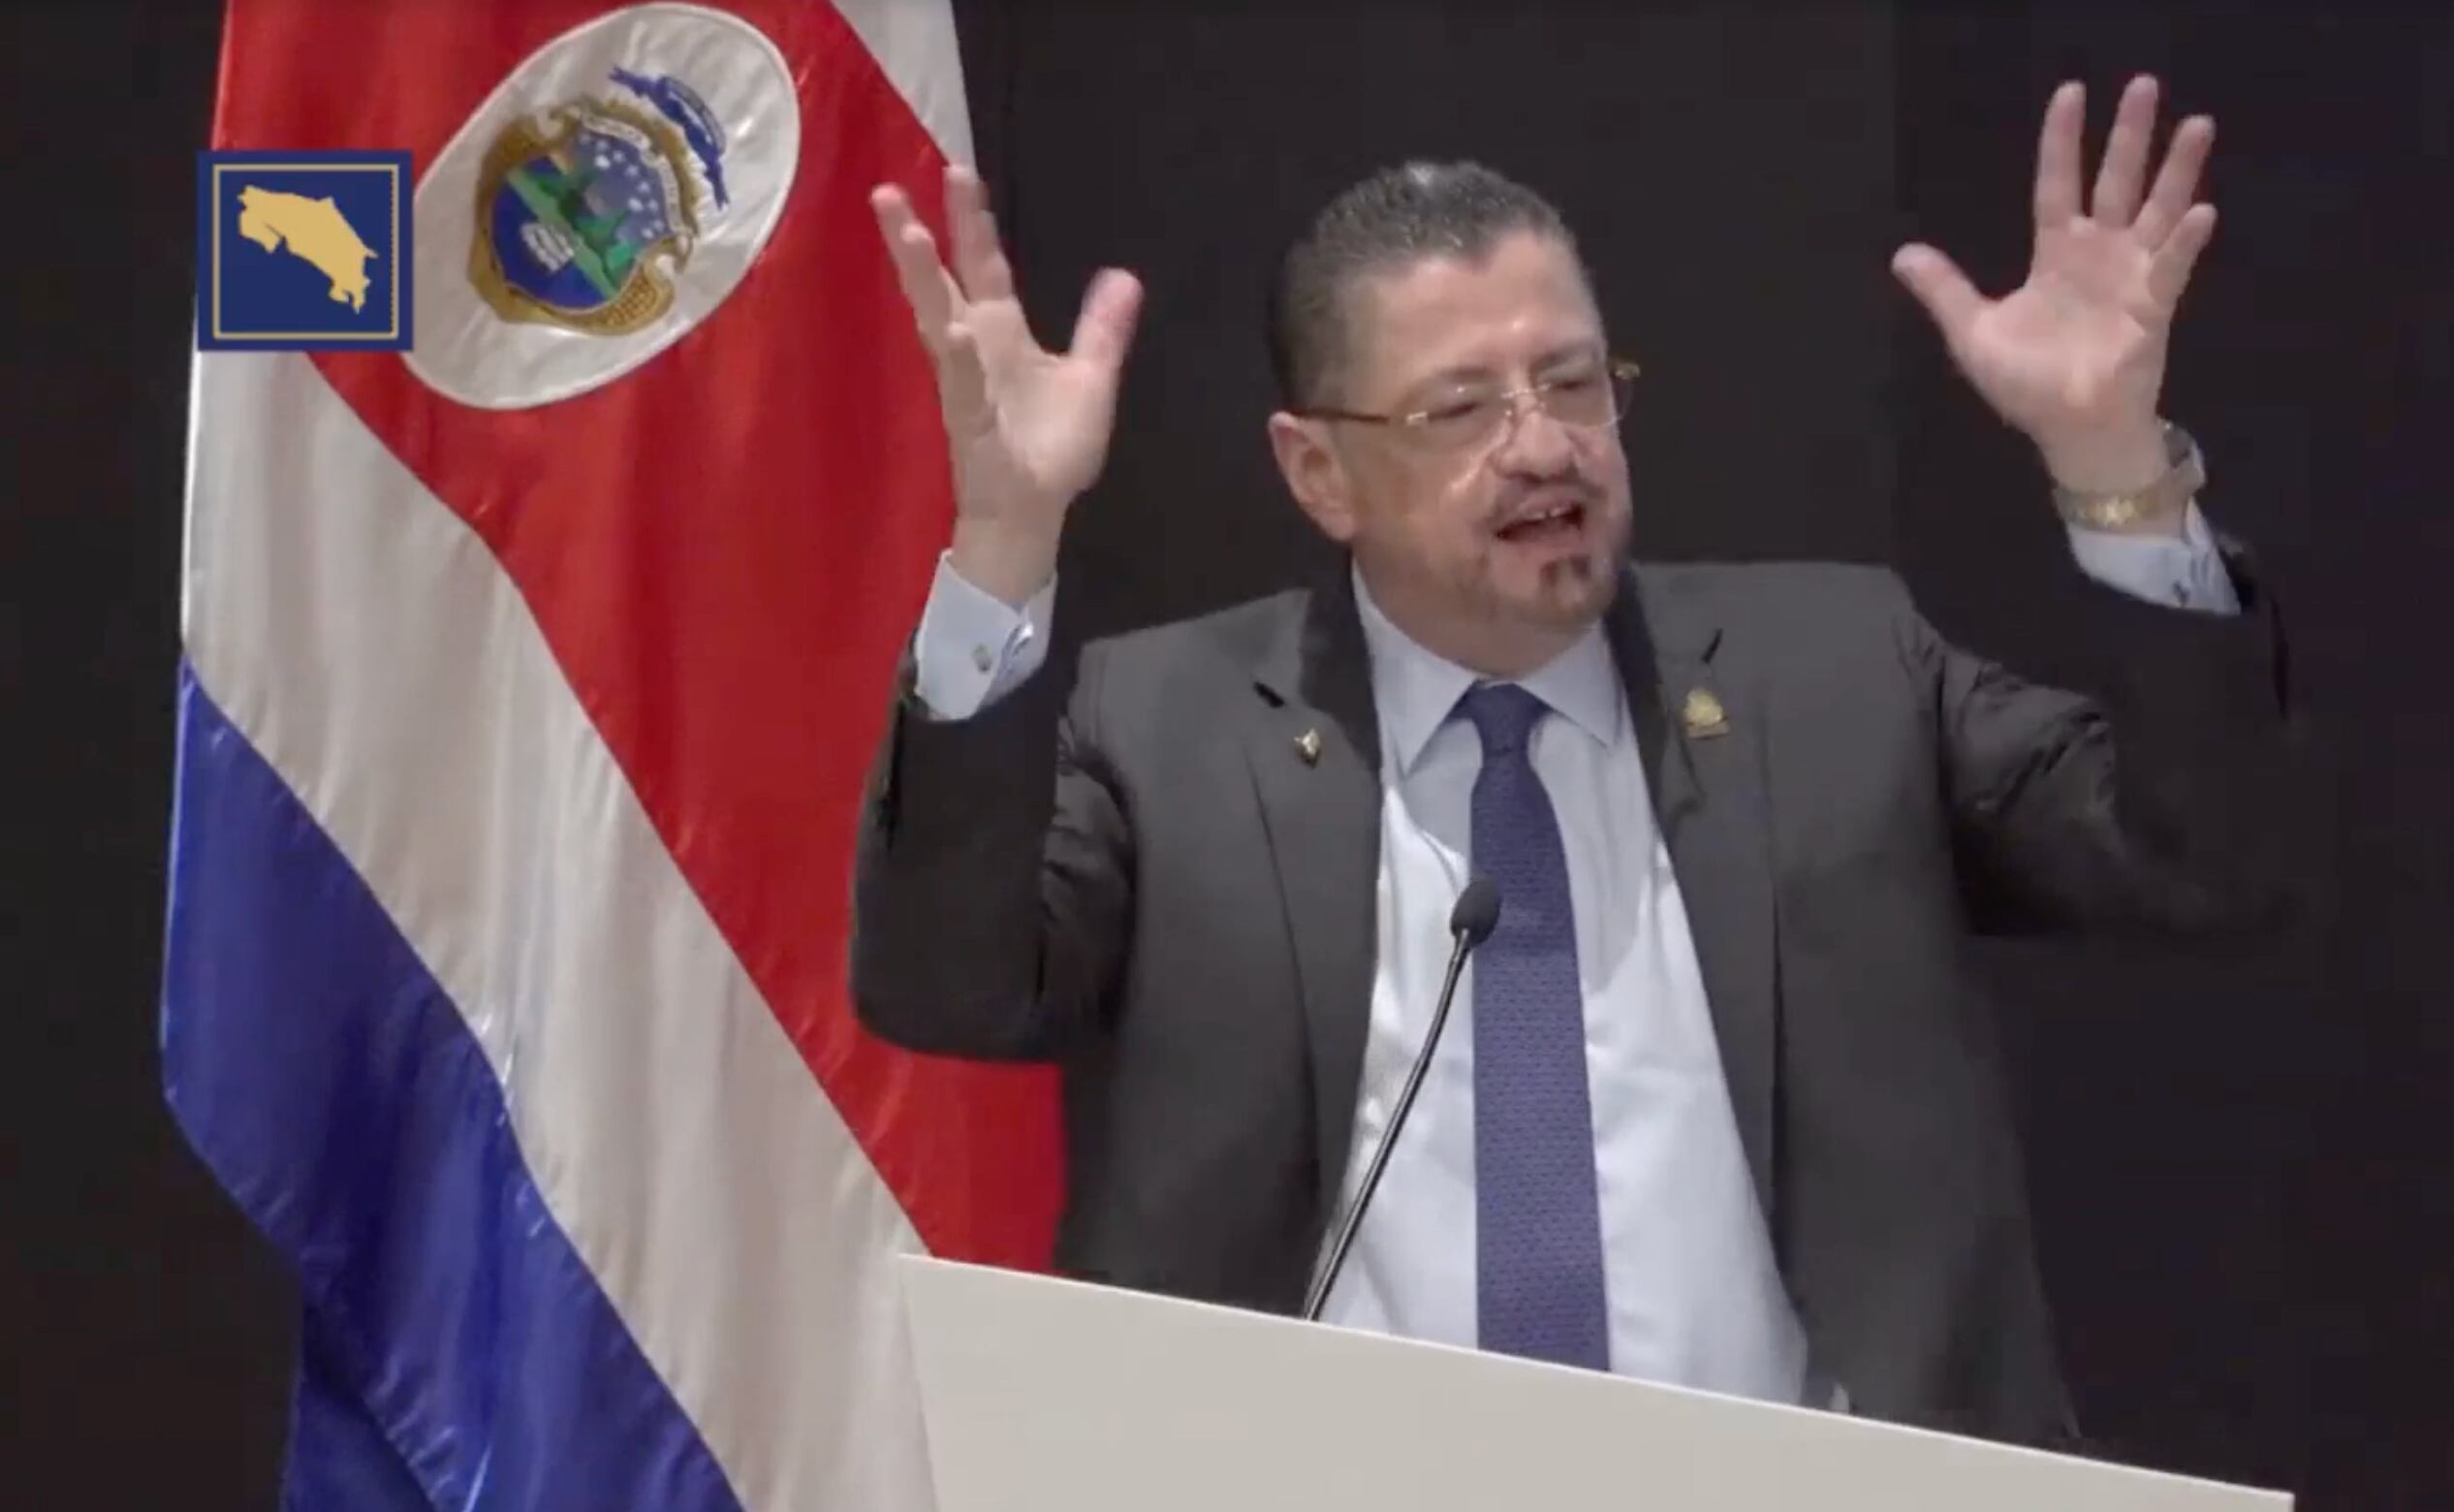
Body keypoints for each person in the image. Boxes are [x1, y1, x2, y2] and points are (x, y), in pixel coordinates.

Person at [849, 75, 2297, 1446]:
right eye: (1462, 408)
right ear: (1317, 473)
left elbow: (2203, 861)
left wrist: (2118, 472)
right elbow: (950, 985)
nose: (1545, 447)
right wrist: (1006, 545)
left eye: (1574, 381)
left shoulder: (1838, 673)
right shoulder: (1171, 722)